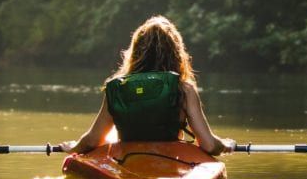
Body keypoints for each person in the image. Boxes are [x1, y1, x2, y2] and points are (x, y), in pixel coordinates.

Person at [60, 16, 235, 155]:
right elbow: (210, 145)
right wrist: (226, 144)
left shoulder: (118, 89)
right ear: (176, 53)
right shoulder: (184, 90)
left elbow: (92, 140)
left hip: (127, 162)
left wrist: (74, 148)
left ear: (135, 52)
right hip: (170, 162)